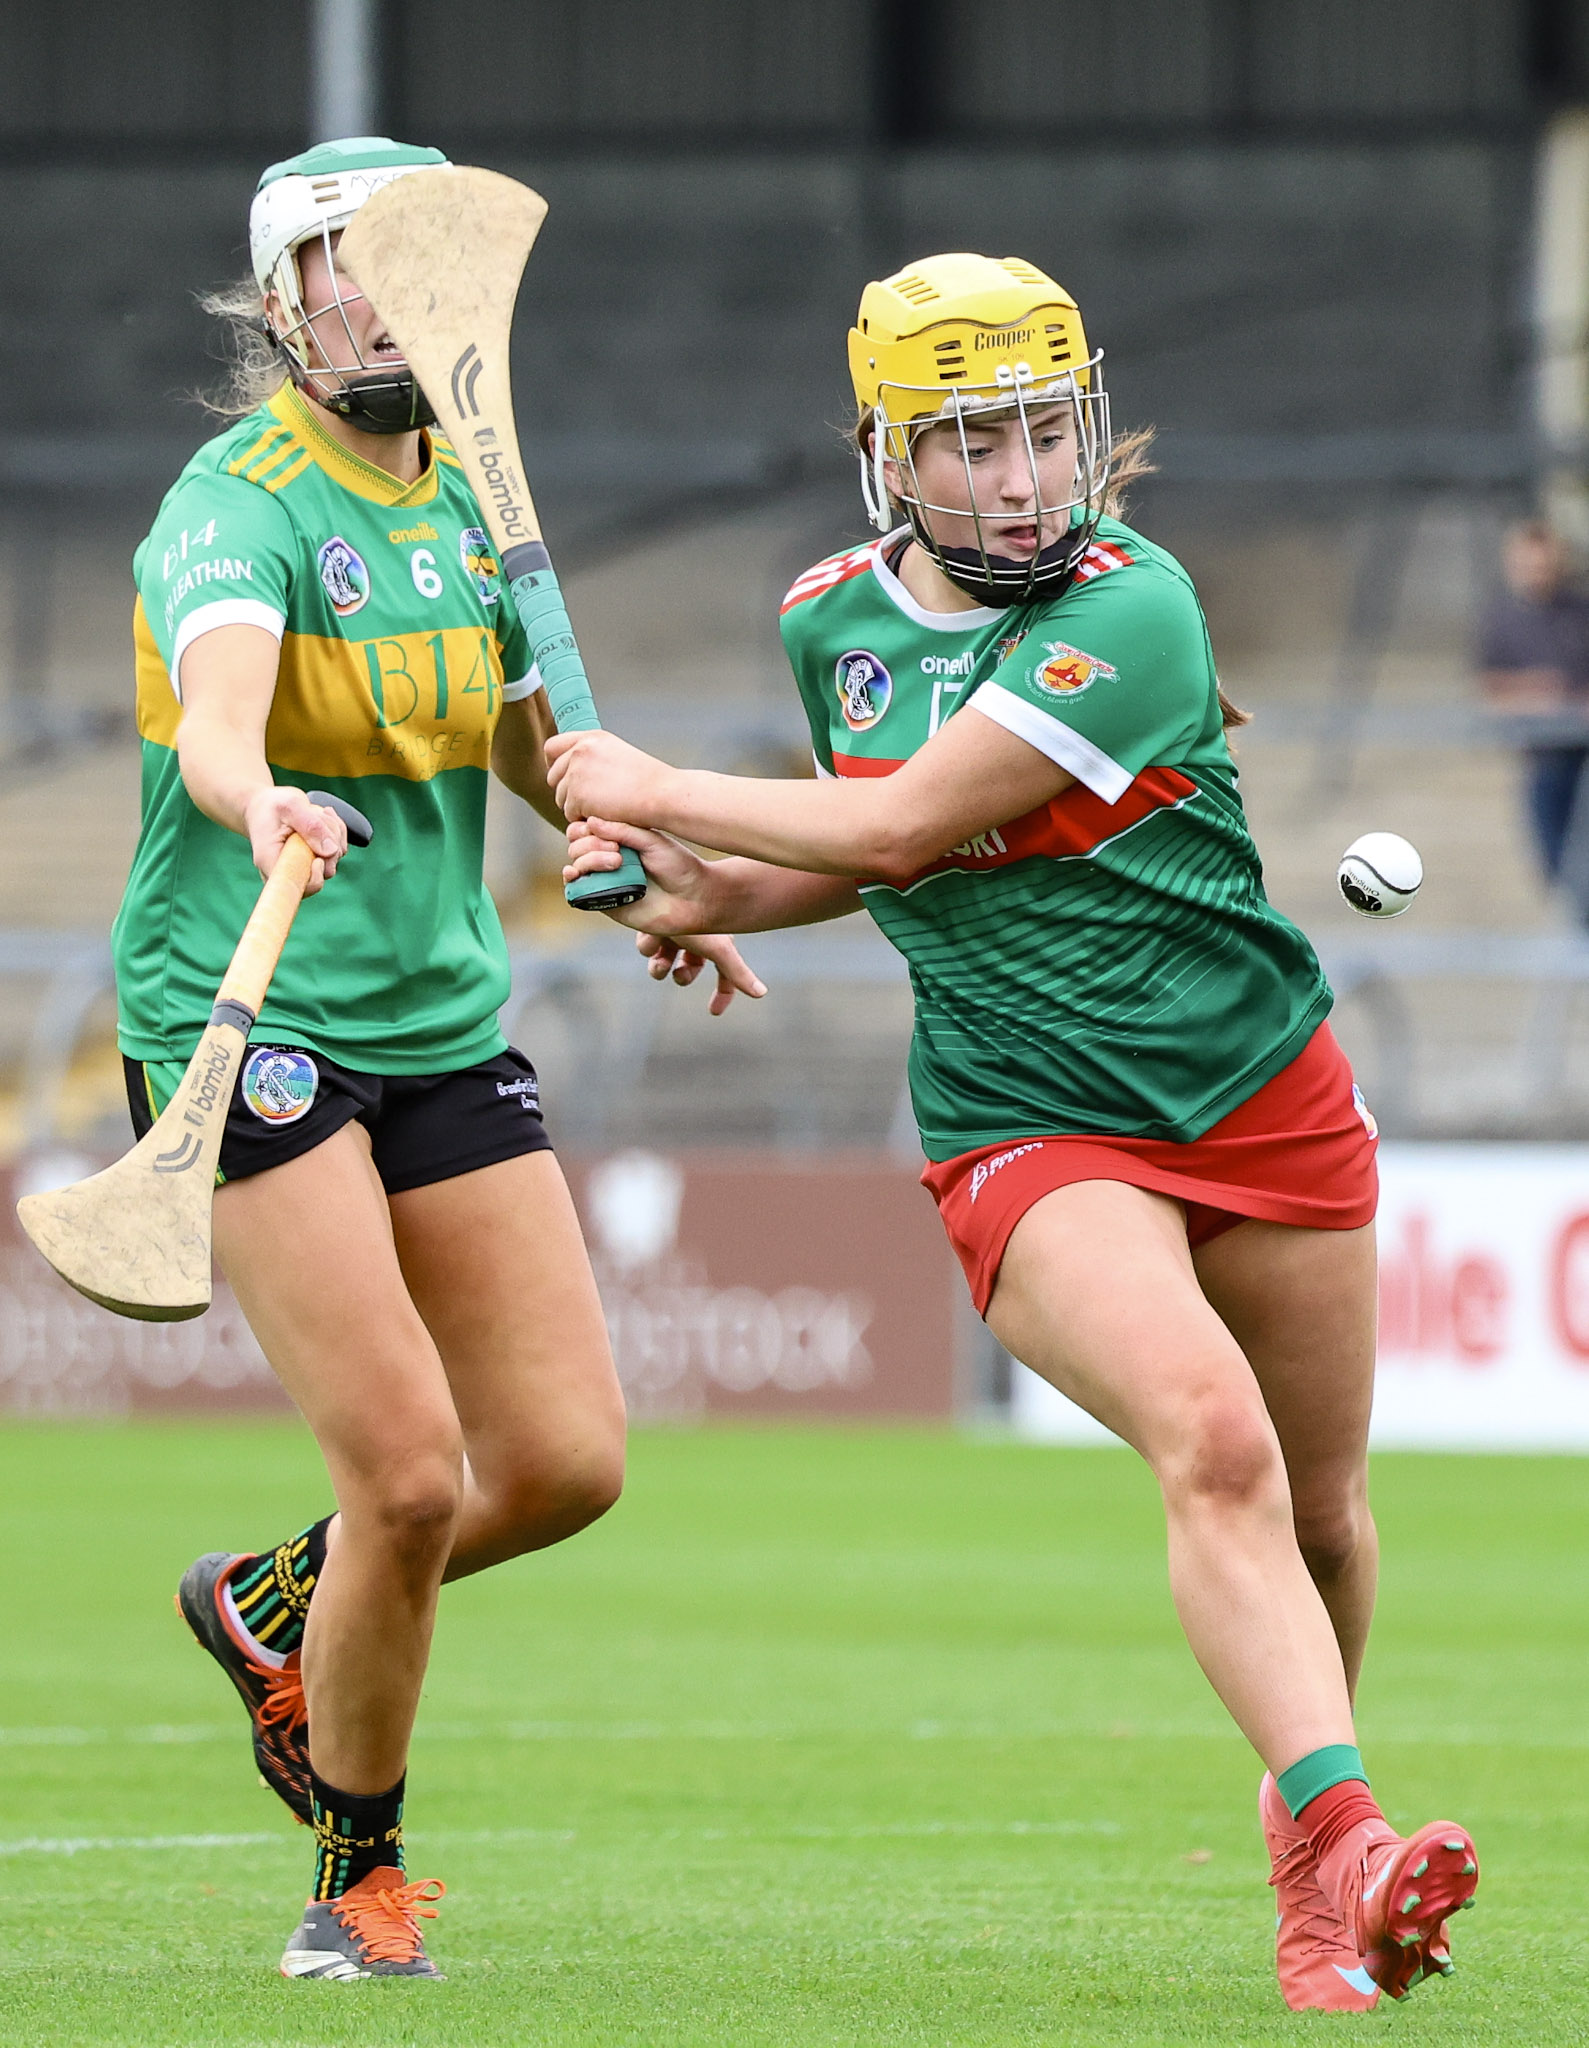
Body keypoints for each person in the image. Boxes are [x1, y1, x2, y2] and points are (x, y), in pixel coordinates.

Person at [547, 253, 1480, 2011]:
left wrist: (652, 788)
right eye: (971, 442)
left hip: (1257, 1090)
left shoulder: (1137, 610)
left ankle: (1306, 1881)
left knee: (1324, 1516)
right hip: (1025, 1119)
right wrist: (712, 891)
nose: (1023, 475)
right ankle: (1357, 1843)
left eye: (1046, 431)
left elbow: (899, 826)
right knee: (1213, 1441)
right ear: (887, 454)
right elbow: (895, 854)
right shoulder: (827, 621)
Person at [119, 135, 755, 1981]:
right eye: (349, 265)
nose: (385, 295)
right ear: (284, 303)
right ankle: (355, 1878)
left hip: (436, 1015)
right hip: (251, 1018)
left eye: (413, 259)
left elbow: (513, 731)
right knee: (404, 1473)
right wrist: (257, 797)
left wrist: (643, 874)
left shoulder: (472, 508)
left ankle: (273, 1598)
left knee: (558, 1460)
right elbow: (220, 714)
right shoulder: (235, 506)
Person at [1477, 518, 1589, 916]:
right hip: (1543, 758)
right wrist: (1538, 694)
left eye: (1544, 565)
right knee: (1555, 864)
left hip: (1584, 756)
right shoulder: (1501, 619)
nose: (1537, 574)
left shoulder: (1580, 612)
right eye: (1529, 565)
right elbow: (1490, 689)